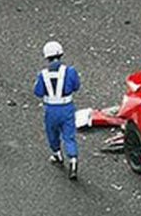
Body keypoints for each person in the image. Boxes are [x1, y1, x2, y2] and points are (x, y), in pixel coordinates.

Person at [33, 41, 80, 179]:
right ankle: (73, 160)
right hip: (67, 107)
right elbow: (76, 86)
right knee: (69, 136)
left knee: (52, 133)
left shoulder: (43, 74)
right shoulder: (70, 71)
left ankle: (57, 154)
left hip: (51, 109)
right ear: (60, 54)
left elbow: (38, 92)